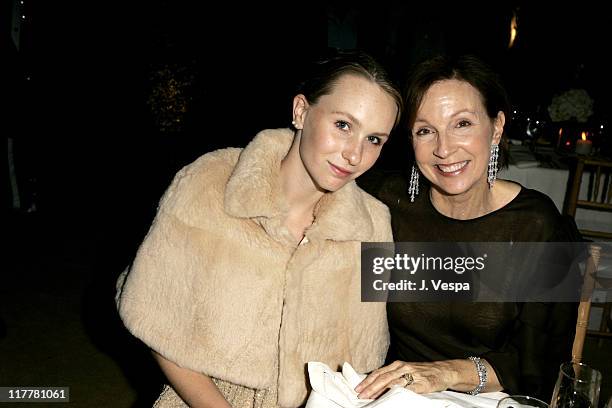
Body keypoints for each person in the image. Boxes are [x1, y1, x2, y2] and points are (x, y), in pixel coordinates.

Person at [115, 48, 403, 408]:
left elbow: (362, 361)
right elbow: (155, 317)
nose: (355, 155)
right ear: (301, 111)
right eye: (343, 125)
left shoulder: (373, 225)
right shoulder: (208, 183)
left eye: (374, 139)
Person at [355, 55, 579, 401]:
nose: (443, 150)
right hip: (393, 396)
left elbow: (540, 364)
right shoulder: (386, 202)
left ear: (497, 127)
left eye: (462, 124)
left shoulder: (538, 225)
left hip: (491, 398)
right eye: (425, 130)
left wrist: (444, 373)